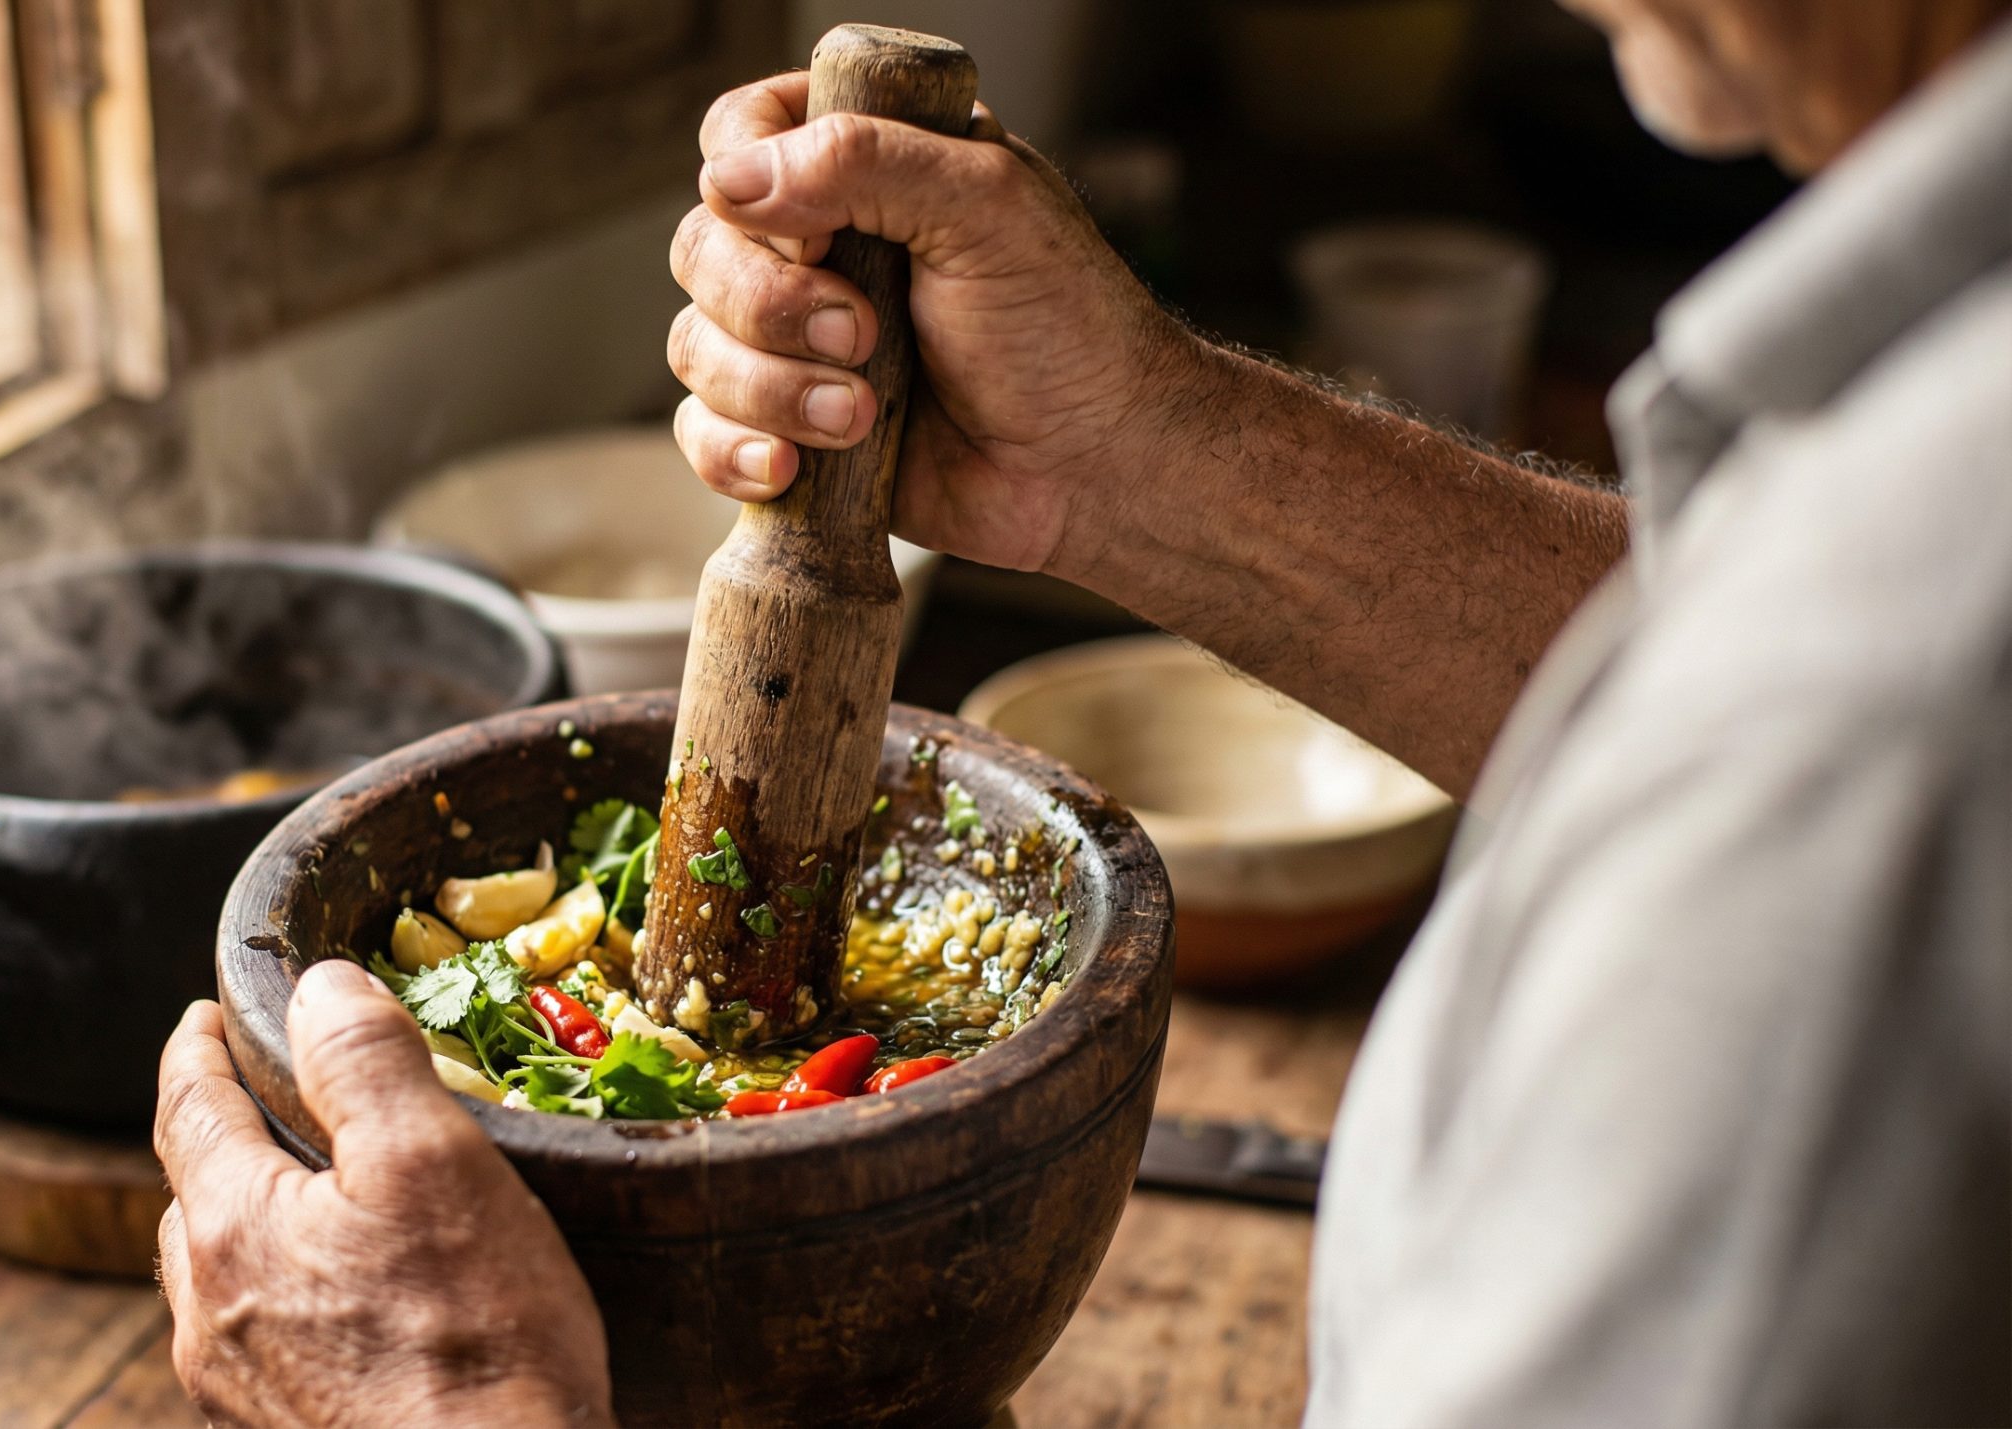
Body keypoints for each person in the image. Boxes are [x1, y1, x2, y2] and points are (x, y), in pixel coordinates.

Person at [153, 0, 2012, 1422]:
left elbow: (1793, 683)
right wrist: (1132, 452)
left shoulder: (1874, 737)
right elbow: (1698, 635)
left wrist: (473, 1406)